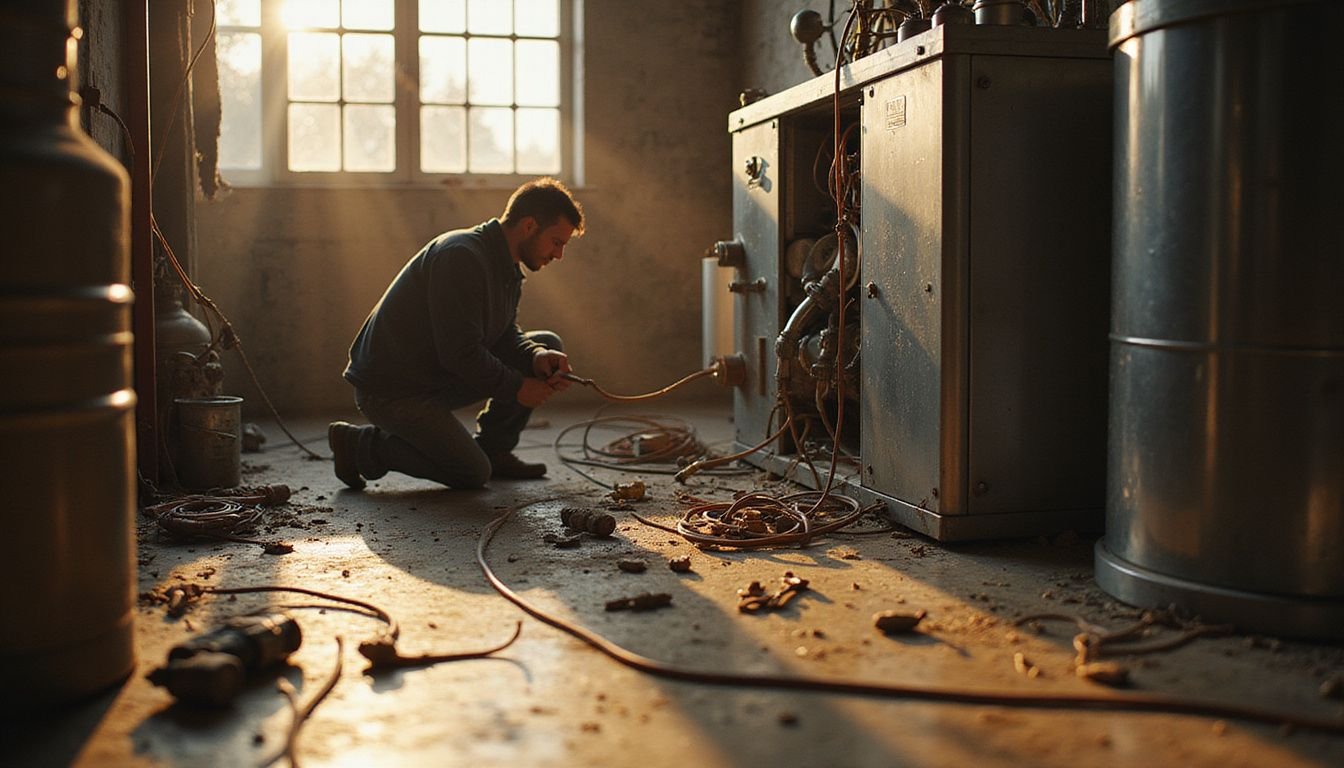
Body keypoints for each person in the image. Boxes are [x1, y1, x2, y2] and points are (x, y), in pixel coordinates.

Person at [328, 177, 584, 490]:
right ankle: (361, 444)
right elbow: (460, 353)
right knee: (472, 472)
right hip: (392, 391)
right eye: (556, 242)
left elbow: (502, 335)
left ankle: (495, 450)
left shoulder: (507, 266)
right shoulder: (461, 256)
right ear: (529, 226)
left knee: (546, 344)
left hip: (433, 375)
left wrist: (535, 355)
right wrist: (517, 387)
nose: (558, 254)